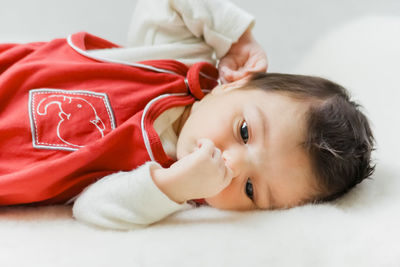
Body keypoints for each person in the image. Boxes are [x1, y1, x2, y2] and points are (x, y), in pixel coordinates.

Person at [0, 0, 374, 230]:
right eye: (244, 131)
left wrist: (172, 186)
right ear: (234, 85)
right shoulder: (179, 59)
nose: (230, 162)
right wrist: (237, 39)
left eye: (249, 189)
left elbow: (92, 209)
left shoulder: (165, 185)